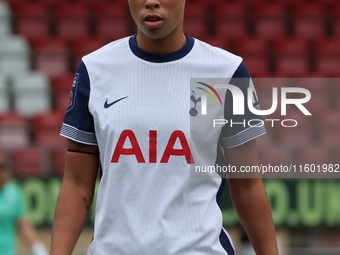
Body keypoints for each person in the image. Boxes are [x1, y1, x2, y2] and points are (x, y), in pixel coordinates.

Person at [51, 0, 279, 254]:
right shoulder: (95, 70)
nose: (151, 2)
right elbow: (77, 182)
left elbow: (247, 184)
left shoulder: (228, 72)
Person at [0, 152, 49, 255]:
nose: (2, 172)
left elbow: (23, 225)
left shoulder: (14, 192)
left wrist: (39, 249)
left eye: (4, 167)